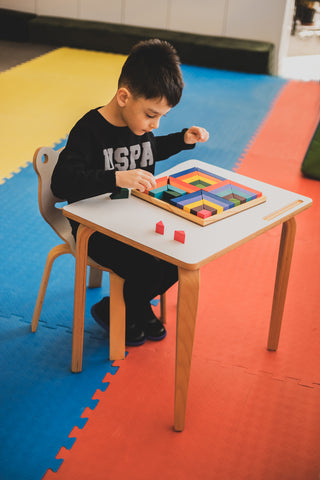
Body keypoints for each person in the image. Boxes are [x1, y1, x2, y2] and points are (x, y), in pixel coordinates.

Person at [51, 38, 209, 346]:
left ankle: (132, 305)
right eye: (151, 115)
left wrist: (182, 139)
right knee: (147, 267)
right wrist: (116, 178)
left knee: (181, 258)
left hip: (132, 221)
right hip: (92, 229)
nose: (154, 125)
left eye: (161, 117)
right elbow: (62, 183)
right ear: (124, 97)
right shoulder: (89, 129)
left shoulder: (140, 127)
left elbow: (149, 151)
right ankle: (116, 309)